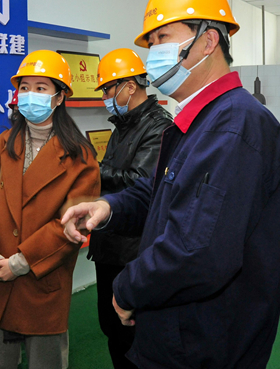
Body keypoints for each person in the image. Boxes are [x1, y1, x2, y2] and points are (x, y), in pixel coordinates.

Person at [61, 0, 280, 369]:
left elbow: (198, 250)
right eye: (151, 42)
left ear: (208, 41)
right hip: (182, 333)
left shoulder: (234, 127)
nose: (154, 52)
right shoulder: (199, 121)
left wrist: (127, 288)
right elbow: (159, 191)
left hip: (206, 342)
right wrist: (109, 207)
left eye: (162, 38)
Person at [0, 50, 101, 369]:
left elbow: (72, 224)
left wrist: (20, 263)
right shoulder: (1, 145)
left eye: (41, 88)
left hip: (41, 279)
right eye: (24, 87)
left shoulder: (80, 157)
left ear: (60, 96)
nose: (30, 95)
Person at [88, 48, 171, 369]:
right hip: (110, 245)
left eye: (108, 90)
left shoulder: (159, 127)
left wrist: (90, 170)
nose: (105, 98)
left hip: (133, 250)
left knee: (133, 335)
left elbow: (140, 184)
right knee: (112, 328)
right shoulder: (123, 126)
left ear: (130, 86)